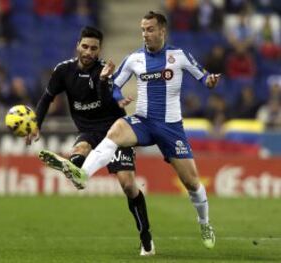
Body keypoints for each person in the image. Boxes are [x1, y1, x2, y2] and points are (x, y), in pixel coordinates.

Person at [41, 11, 220, 250]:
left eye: (150, 29)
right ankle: (83, 174)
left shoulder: (179, 56)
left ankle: (204, 222)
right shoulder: (135, 58)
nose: (145, 34)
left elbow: (204, 76)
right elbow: (115, 84)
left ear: (162, 31)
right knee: (115, 131)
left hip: (170, 128)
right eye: (143, 30)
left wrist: (210, 81)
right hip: (143, 121)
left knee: (192, 183)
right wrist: (113, 90)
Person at [26, 26, 155, 256]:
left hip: (115, 132)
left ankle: (145, 234)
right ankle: (75, 168)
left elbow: (110, 96)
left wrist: (110, 89)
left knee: (127, 185)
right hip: (87, 131)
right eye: (85, 46)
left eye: (93, 48)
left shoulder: (103, 71)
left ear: (99, 50)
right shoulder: (63, 71)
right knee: (81, 147)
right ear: (78, 45)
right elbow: (47, 98)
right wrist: (36, 124)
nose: (88, 52)